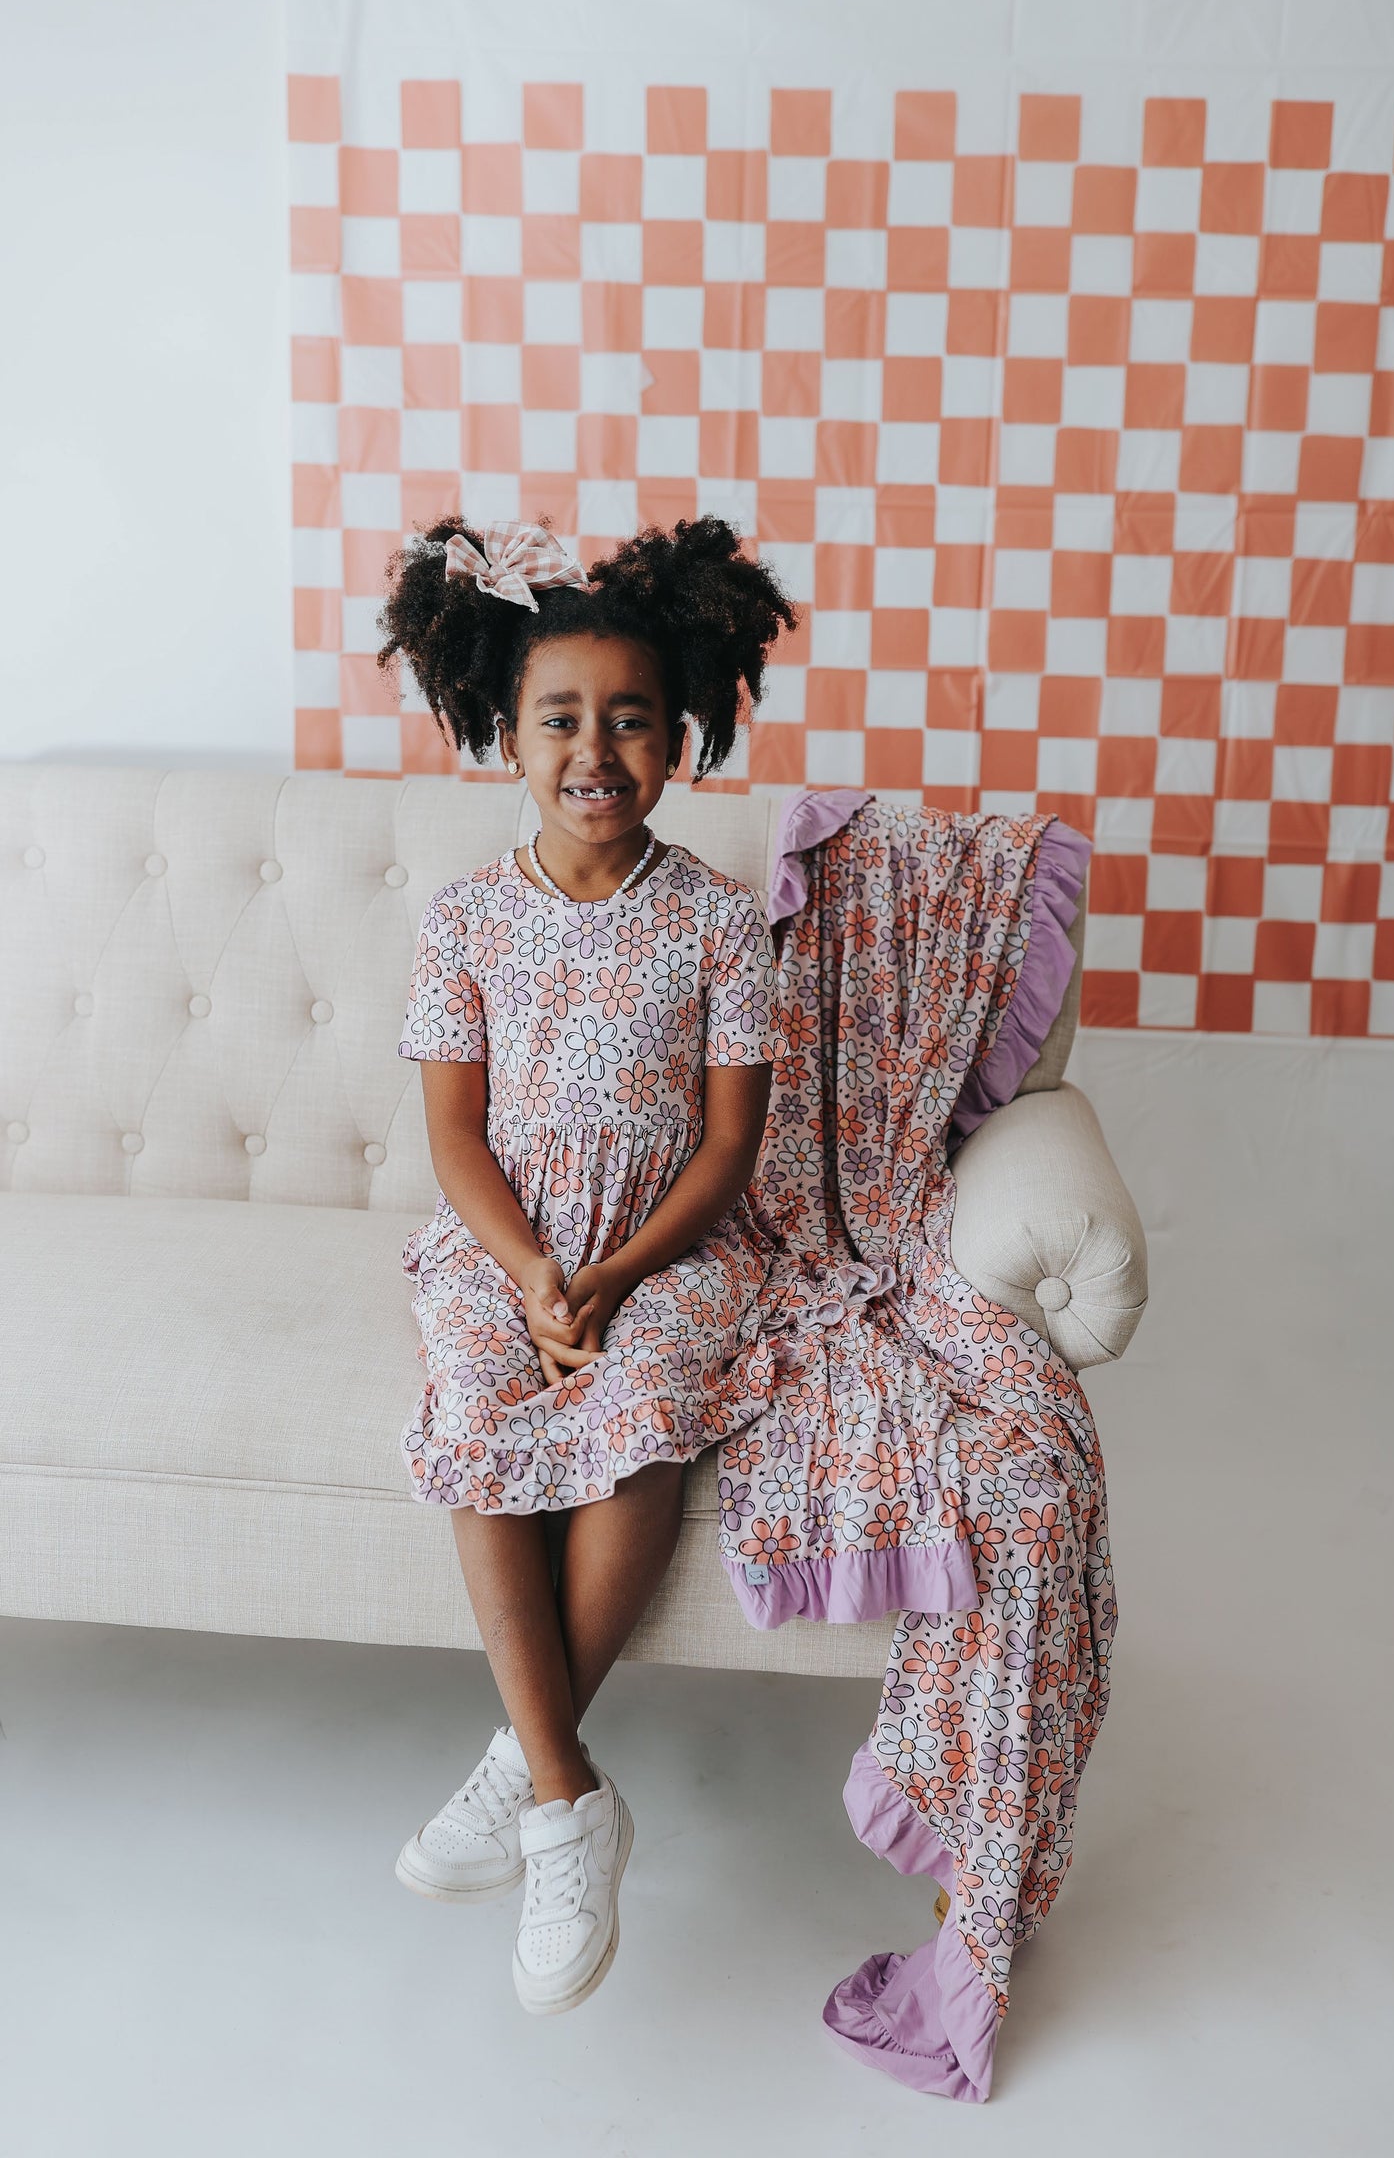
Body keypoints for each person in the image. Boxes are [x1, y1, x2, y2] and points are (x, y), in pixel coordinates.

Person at [377, 514, 796, 2016]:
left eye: (630, 718)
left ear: (679, 737)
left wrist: (614, 1279)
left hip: (667, 1242)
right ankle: (573, 1805)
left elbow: (730, 1149)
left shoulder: (720, 923)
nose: (594, 748)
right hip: (506, 1242)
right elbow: (455, 1137)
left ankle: (518, 1763)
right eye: (560, 717)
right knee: (478, 1405)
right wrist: (533, 1275)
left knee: (643, 1412)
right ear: (508, 735)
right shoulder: (466, 921)